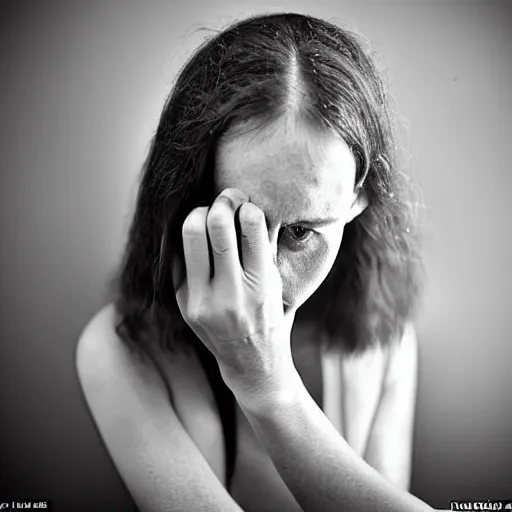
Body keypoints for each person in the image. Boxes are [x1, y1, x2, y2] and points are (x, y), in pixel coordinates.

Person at [76, 12, 441, 512]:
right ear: (189, 205)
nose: (264, 280)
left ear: (359, 199)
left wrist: (269, 385)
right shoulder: (120, 351)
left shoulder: (385, 341)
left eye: (298, 233)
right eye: (238, 225)